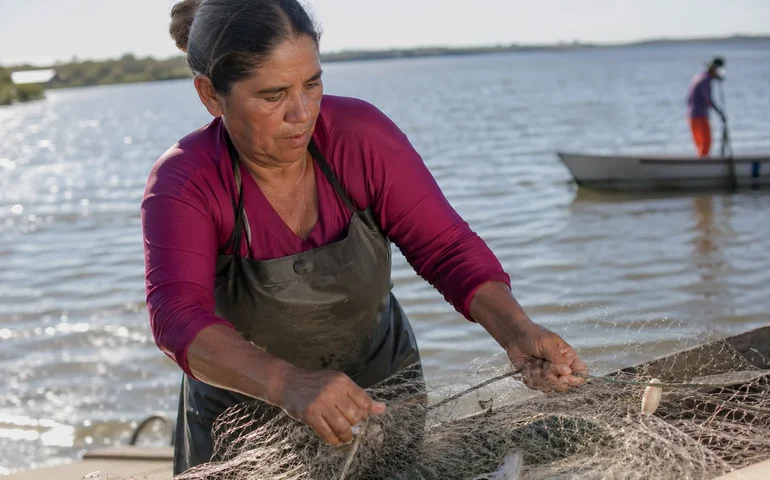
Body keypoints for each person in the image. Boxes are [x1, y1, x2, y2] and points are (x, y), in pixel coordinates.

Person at [143, 0, 588, 474]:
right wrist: (287, 382)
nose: (302, 113)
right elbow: (177, 318)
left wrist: (517, 332)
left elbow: (446, 248)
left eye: (312, 84)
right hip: (242, 419)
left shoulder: (360, 136)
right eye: (273, 96)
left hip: (380, 396)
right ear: (211, 95)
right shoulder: (186, 180)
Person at [686, 56, 726, 157]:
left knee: (700, 143)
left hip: (692, 114)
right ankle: (702, 165)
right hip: (699, 115)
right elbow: (707, 99)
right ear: (714, 69)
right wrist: (719, 112)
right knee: (706, 142)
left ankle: (700, 163)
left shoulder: (699, 77)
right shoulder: (705, 80)